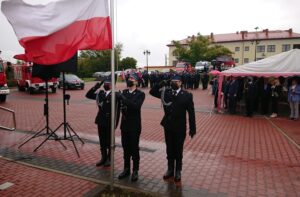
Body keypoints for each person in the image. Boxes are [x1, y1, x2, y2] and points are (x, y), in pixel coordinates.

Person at [149, 75, 196, 183]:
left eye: (176, 81)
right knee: (169, 148)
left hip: (180, 127)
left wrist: (193, 128)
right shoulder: (166, 92)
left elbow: (191, 113)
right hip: (168, 125)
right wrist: (161, 83)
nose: (173, 83)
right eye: (172, 81)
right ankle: (170, 169)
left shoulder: (187, 95)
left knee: (178, 149)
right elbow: (152, 92)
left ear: (180, 83)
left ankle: (178, 170)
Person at [85, 77, 120, 167]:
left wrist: (115, 123)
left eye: (107, 83)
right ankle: (103, 157)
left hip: (110, 121)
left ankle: (109, 158)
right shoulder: (100, 93)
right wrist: (96, 86)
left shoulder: (116, 95)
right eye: (105, 83)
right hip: (101, 120)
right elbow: (88, 95)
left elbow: (117, 111)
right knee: (102, 141)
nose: (105, 85)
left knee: (110, 141)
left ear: (112, 84)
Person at [117, 74, 145, 182]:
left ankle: (135, 170)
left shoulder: (140, 94)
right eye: (129, 79)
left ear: (137, 82)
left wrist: (123, 98)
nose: (129, 80)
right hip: (124, 125)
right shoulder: (123, 92)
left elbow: (135, 106)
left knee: (134, 149)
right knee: (126, 148)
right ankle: (126, 169)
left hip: (134, 126)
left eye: (132, 79)